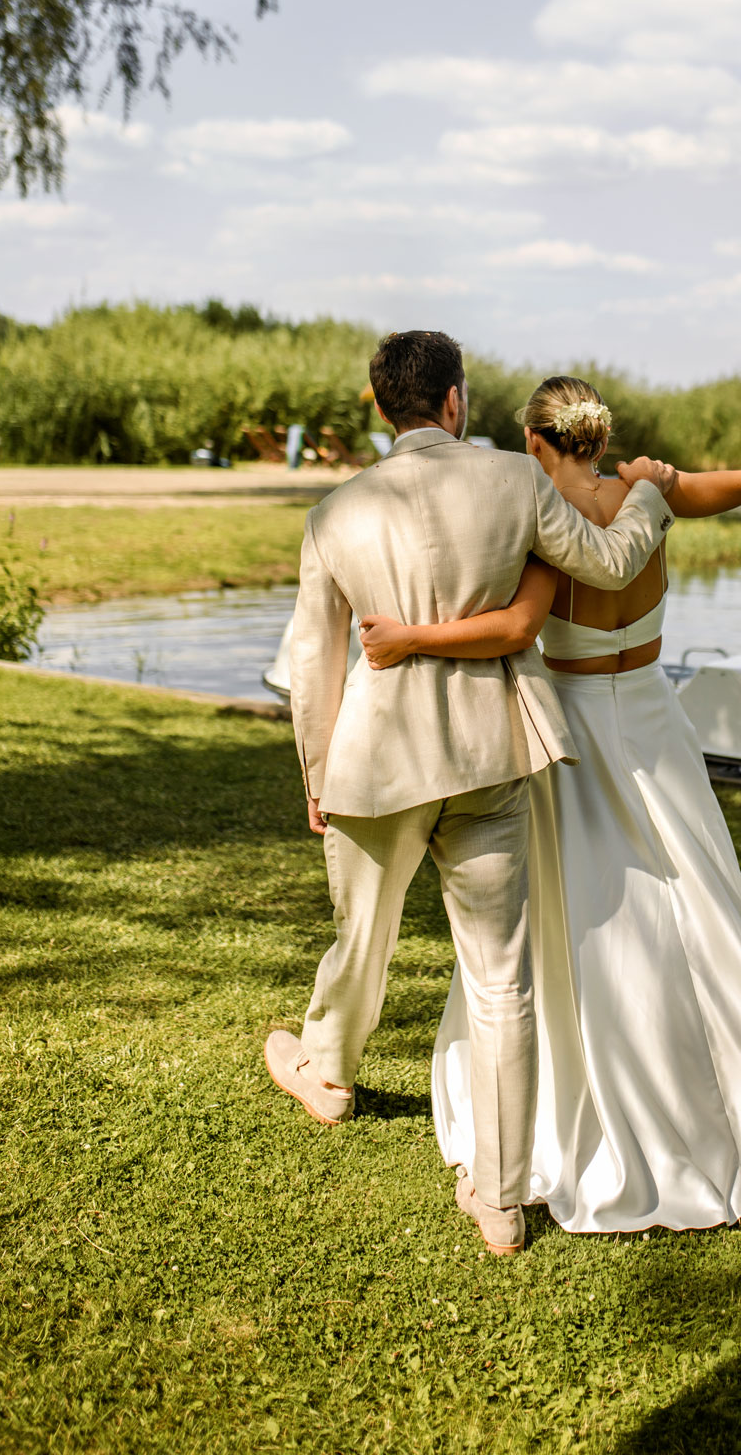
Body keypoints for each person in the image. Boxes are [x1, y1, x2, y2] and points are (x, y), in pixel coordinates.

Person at [359, 377, 741, 1235]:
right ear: (600, 439)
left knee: (575, 920)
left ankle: (579, 1105)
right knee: (696, 900)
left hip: (569, 735)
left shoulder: (538, 523)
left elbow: (511, 628)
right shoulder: (654, 495)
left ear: (536, 442)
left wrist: (407, 638)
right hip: (654, 725)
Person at [265, 335, 676, 1258]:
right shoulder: (514, 480)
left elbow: (313, 662)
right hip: (492, 756)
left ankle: (326, 1074)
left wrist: (316, 774)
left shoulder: (334, 514)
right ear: (455, 400)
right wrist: (649, 495)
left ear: (383, 407)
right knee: (501, 981)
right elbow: (611, 563)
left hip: (376, 765)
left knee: (362, 936)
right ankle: (500, 1201)